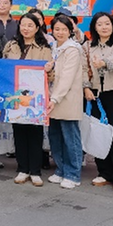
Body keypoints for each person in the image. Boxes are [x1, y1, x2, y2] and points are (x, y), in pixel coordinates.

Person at [85, 12, 113, 192]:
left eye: (107, 24)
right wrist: (86, 87)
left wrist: (103, 62)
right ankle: (104, 171)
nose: (104, 27)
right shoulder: (88, 47)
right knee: (99, 133)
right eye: (100, 24)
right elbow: (84, 69)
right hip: (96, 94)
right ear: (94, 28)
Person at [3, 14, 52, 186]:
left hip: (35, 98)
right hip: (16, 97)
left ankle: (35, 171)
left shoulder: (44, 48)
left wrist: (49, 70)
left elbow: (51, 75)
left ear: (37, 28)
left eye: (30, 25)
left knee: (35, 134)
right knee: (19, 132)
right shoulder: (11, 45)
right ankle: (23, 169)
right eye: (23, 25)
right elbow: (3, 67)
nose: (26, 28)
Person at [45, 15, 84, 189]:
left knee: (70, 138)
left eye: (64, 29)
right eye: (57, 29)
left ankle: (73, 174)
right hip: (53, 99)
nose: (60, 32)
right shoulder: (54, 47)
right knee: (55, 137)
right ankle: (60, 170)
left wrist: (55, 98)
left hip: (66, 99)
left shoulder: (72, 49)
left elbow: (67, 77)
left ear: (70, 31)